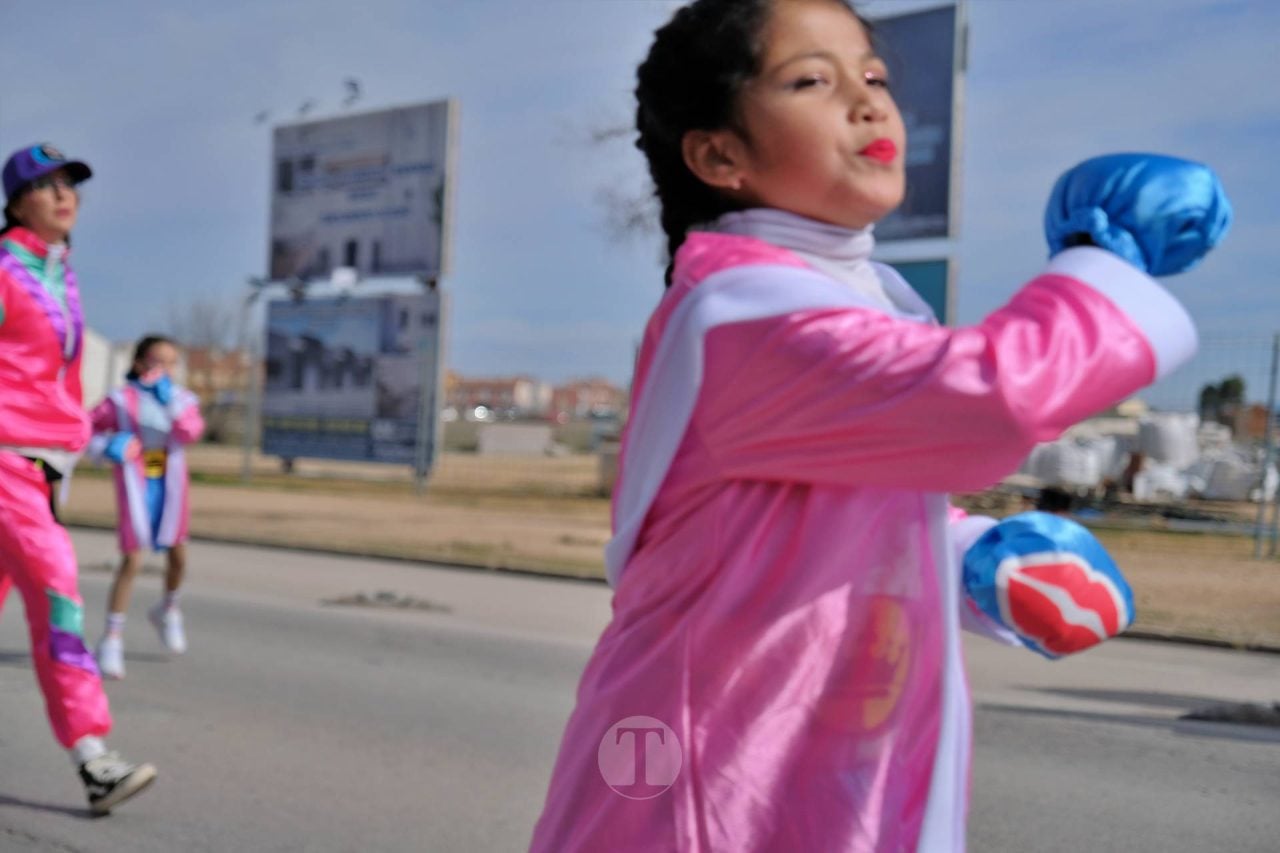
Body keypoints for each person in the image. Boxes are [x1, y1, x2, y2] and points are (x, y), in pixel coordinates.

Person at [528, 1, 1231, 850]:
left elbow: (790, 518)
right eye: (811, 80)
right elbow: (983, 401)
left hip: (797, 760)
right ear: (721, 154)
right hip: (708, 776)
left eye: (873, 76)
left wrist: (967, 554)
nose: (869, 103)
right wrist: (1105, 259)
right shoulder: (741, 311)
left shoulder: (835, 297)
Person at [0, 142, 158, 813]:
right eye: (47, 184)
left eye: (72, 184)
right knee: (60, 597)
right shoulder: (5, 269)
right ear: (16, 200)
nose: (65, 195)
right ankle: (93, 758)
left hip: (44, 464)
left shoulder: (61, 272)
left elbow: (57, 381)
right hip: (5, 457)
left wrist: (89, 432)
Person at [90, 334, 204, 679]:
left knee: (178, 554)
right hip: (136, 479)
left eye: (171, 362)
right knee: (133, 557)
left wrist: (170, 402)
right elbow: (84, 428)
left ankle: (168, 608)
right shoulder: (120, 401)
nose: (165, 369)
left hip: (168, 479)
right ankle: (111, 638)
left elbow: (190, 432)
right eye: (157, 361)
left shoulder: (182, 399)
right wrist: (108, 445)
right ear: (140, 364)